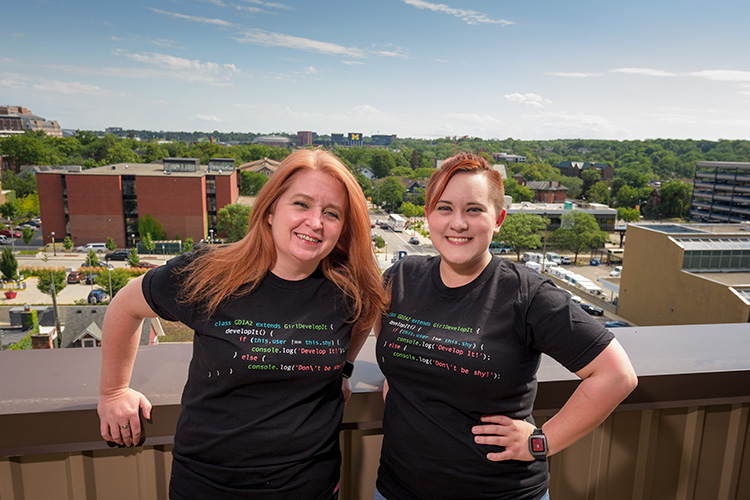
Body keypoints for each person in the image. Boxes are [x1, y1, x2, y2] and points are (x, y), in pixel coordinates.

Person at [97, 149, 385, 500]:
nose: (315, 222)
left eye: (331, 213)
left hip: (310, 485)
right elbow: (126, 305)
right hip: (209, 486)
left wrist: (343, 369)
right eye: (301, 204)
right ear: (269, 210)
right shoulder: (211, 273)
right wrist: (113, 391)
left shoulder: (346, 288)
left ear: (342, 227)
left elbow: (367, 312)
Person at [373, 153, 637, 500]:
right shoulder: (401, 277)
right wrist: (401, 375)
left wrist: (540, 441)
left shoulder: (527, 294)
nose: (458, 223)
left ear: (498, 219)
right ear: (427, 216)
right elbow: (387, 335)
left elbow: (616, 376)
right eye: (444, 208)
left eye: (474, 210)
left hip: (500, 492)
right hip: (398, 489)